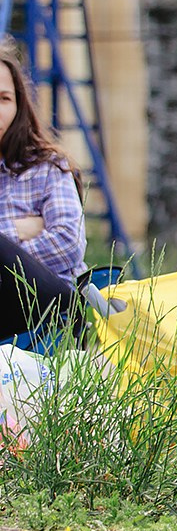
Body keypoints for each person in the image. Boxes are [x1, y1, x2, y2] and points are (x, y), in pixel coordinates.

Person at [0, 40, 85, 343]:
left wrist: (7, 253)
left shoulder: (49, 166)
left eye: (4, 98)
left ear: (19, 105)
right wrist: (20, 230)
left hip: (53, 302)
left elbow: (68, 245)